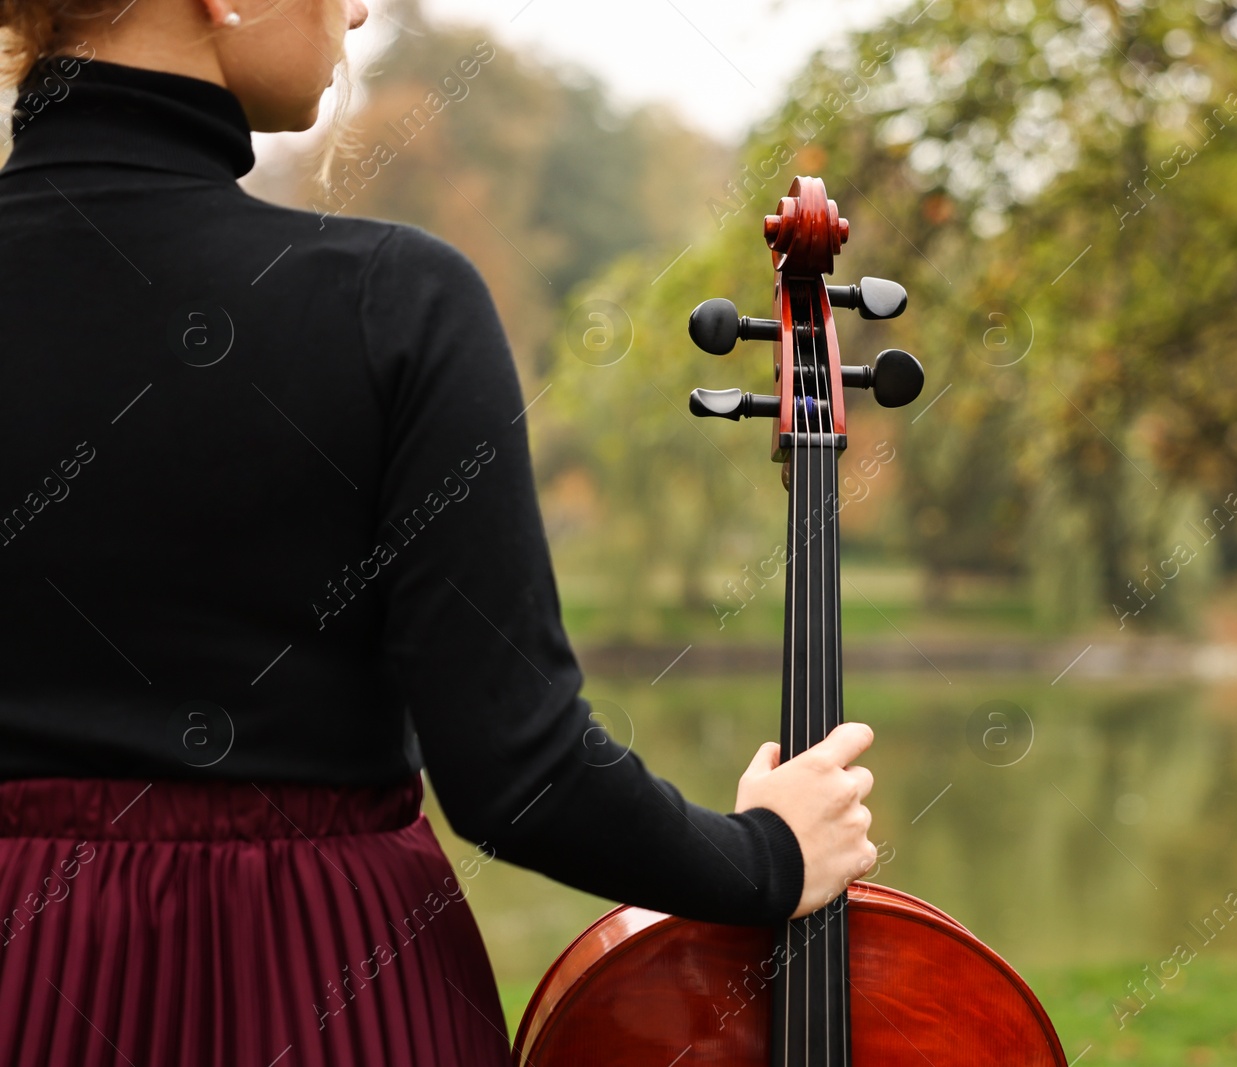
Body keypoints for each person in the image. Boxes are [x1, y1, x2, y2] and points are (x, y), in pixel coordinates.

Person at [0, 1, 878, 1064]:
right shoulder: (391, 301)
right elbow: (522, 774)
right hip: (319, 976)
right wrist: (764, 855)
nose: (359, 8)